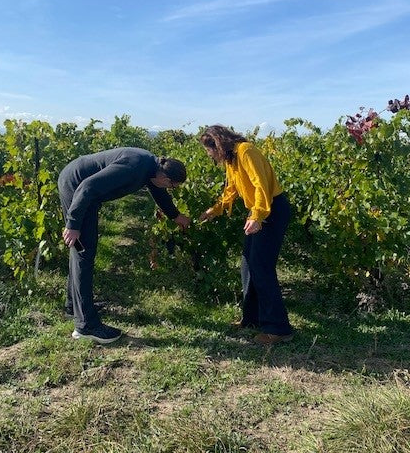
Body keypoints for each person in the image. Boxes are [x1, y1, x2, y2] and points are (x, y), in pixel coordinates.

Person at [58, 147, 190, 344]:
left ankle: (73, 307)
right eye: (172, 186)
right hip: (76, 186)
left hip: (87, 193)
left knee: (83, 251)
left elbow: (159, 193)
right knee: (83, 252)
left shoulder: (151, 171)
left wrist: (176, 216)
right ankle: (86, 326)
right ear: (164, 176)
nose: (171, 189)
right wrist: (73, 224)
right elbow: (87, 187)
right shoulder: (134, 167)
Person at [199, 125, 292, 346]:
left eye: (209, 150)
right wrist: (215, 210)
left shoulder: (246, 151)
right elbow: (231, 189)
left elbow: (262, 185)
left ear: (218, 144)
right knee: (248, 264)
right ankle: (252, 318)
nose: (209, 155)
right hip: (259, 212)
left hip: (272, 210)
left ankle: (278, 329)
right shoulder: (232, 160)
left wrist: (258, 216)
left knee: (261, 267)